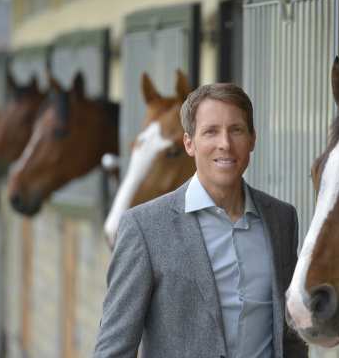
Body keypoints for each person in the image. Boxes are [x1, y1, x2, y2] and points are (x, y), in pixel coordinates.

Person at [94, 83, 307, 358]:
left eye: (236, 130)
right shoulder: (144, 227)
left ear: (252, 139)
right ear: (189, 143)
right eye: (211, 132)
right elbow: (114, 348)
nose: (225, 144)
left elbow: (289, 336)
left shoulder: (281, 219)